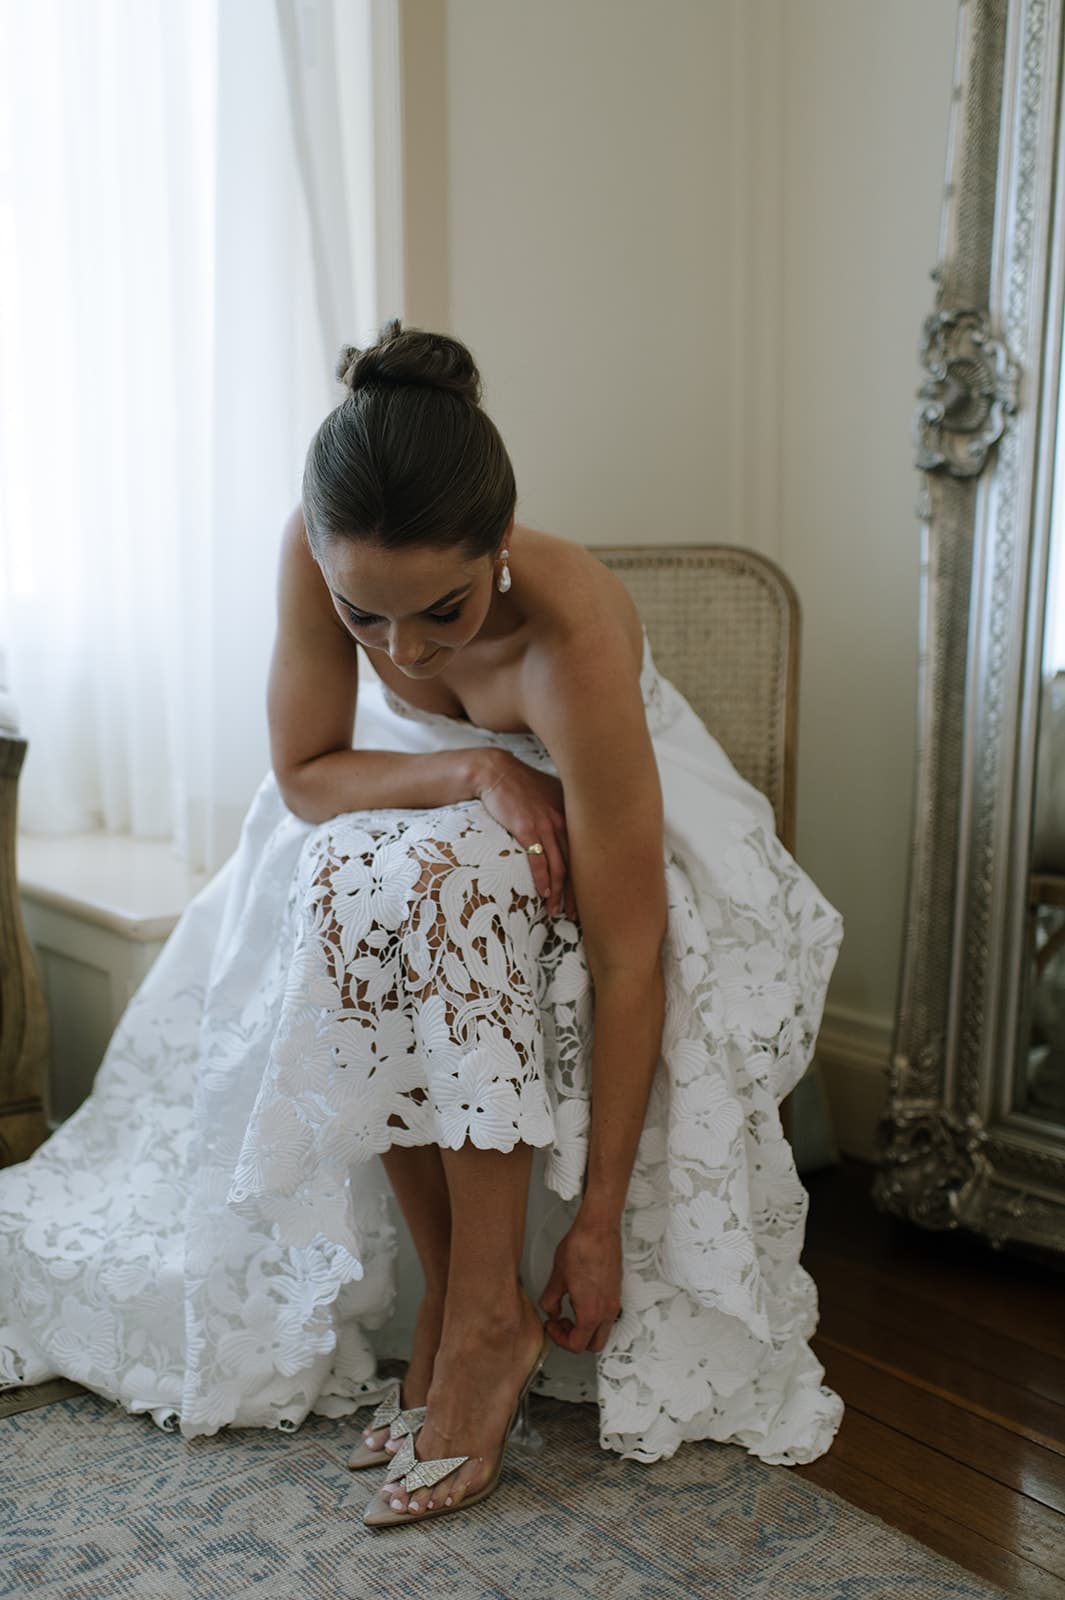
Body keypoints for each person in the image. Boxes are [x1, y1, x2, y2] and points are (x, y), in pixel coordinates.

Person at [0, 320, 845, 1531]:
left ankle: (490, 1321)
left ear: (500, 547)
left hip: (606, 805)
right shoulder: (318, 540)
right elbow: (305, 773)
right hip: (399, 780)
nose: (402, 651)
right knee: (350, 878)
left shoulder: (575, 638)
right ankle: (464, 1301)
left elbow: (624, 951)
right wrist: (467, 774)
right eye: (364, 620)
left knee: (444, 884)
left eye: (441, 611)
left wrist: (598, 1222)